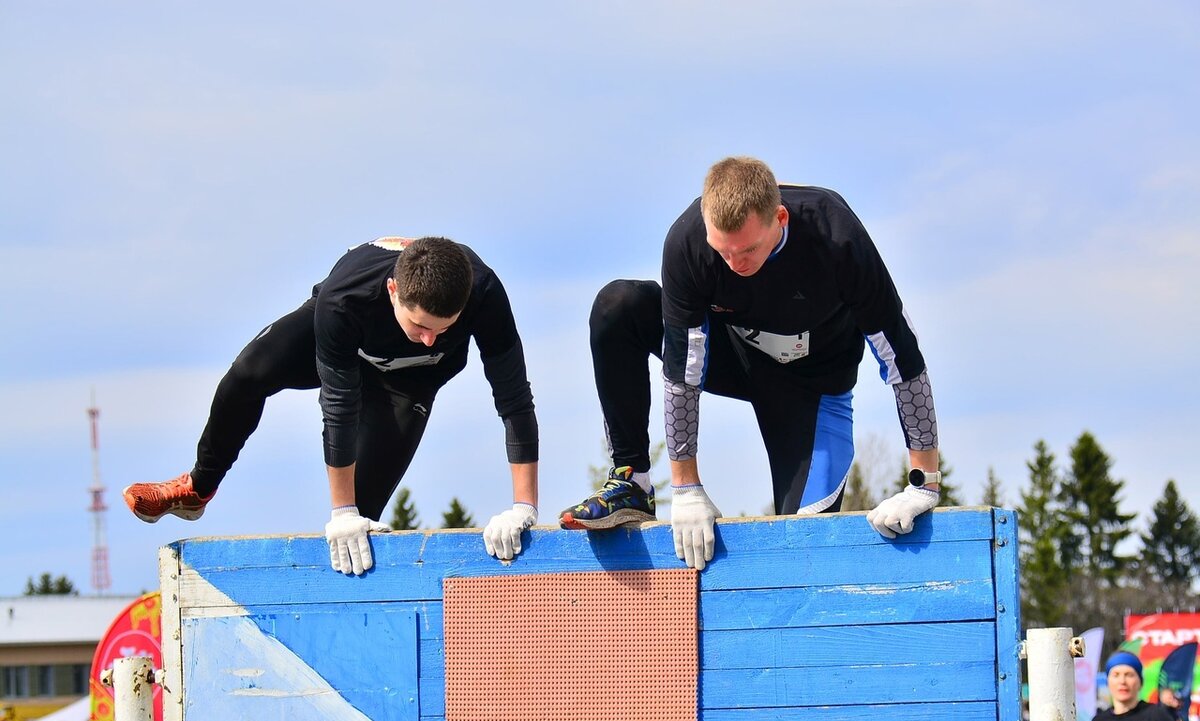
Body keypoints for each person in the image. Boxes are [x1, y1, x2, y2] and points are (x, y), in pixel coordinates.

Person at [559, 156, 940, 568]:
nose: (735, 265)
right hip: (731, 357)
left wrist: (924, 482)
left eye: (748, 250)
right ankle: (632, 481)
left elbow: (900, 355)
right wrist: (686, 487)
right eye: (723, 251)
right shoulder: (688, 241)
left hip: (812, 387)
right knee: (618, 305)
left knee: (802, 550)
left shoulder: (835, 235)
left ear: (780, 218)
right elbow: (683, 370)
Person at [124, 236, 539, 574]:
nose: (430, 339)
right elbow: (339, 407)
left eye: (443, 330)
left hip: (410, 383)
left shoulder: (485, 293)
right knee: (248, 373)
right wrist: (341, 511)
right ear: (393, 291)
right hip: (345, 346)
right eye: (420, 326)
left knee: (360, 528)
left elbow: (514, 399)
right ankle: (197, 487)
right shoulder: (346, 297)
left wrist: (524, 506)